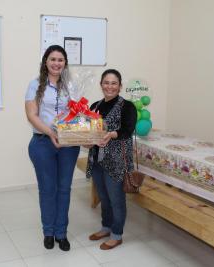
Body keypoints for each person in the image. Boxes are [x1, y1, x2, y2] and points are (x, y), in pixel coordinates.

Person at [25, 45, 80, 251]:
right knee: (48, 190)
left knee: (64, 189)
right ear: (45, 62)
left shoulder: (72, 86)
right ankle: (48, 231)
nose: (57, 63)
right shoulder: (35, 85)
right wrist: (51, 133)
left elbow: (77, 114)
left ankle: (61, 233)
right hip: (43, 143)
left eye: (61, 60)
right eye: (53, 59)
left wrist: (80, 132)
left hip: (68, 144)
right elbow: (31, 115)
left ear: (65, 63)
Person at [86, 69, 137, 250]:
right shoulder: (95, 106)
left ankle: (117, 234)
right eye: (106, 82)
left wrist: (111, 134)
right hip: (97, 160)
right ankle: (106, 227)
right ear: (101, 85)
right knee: (104, 197)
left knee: (116, 199)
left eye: (114, 83)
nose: (110, 86)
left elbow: (128, 130)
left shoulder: (127, 106)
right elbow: (88, 131)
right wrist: (84, 140)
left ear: (120, 86)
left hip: (116, 162)